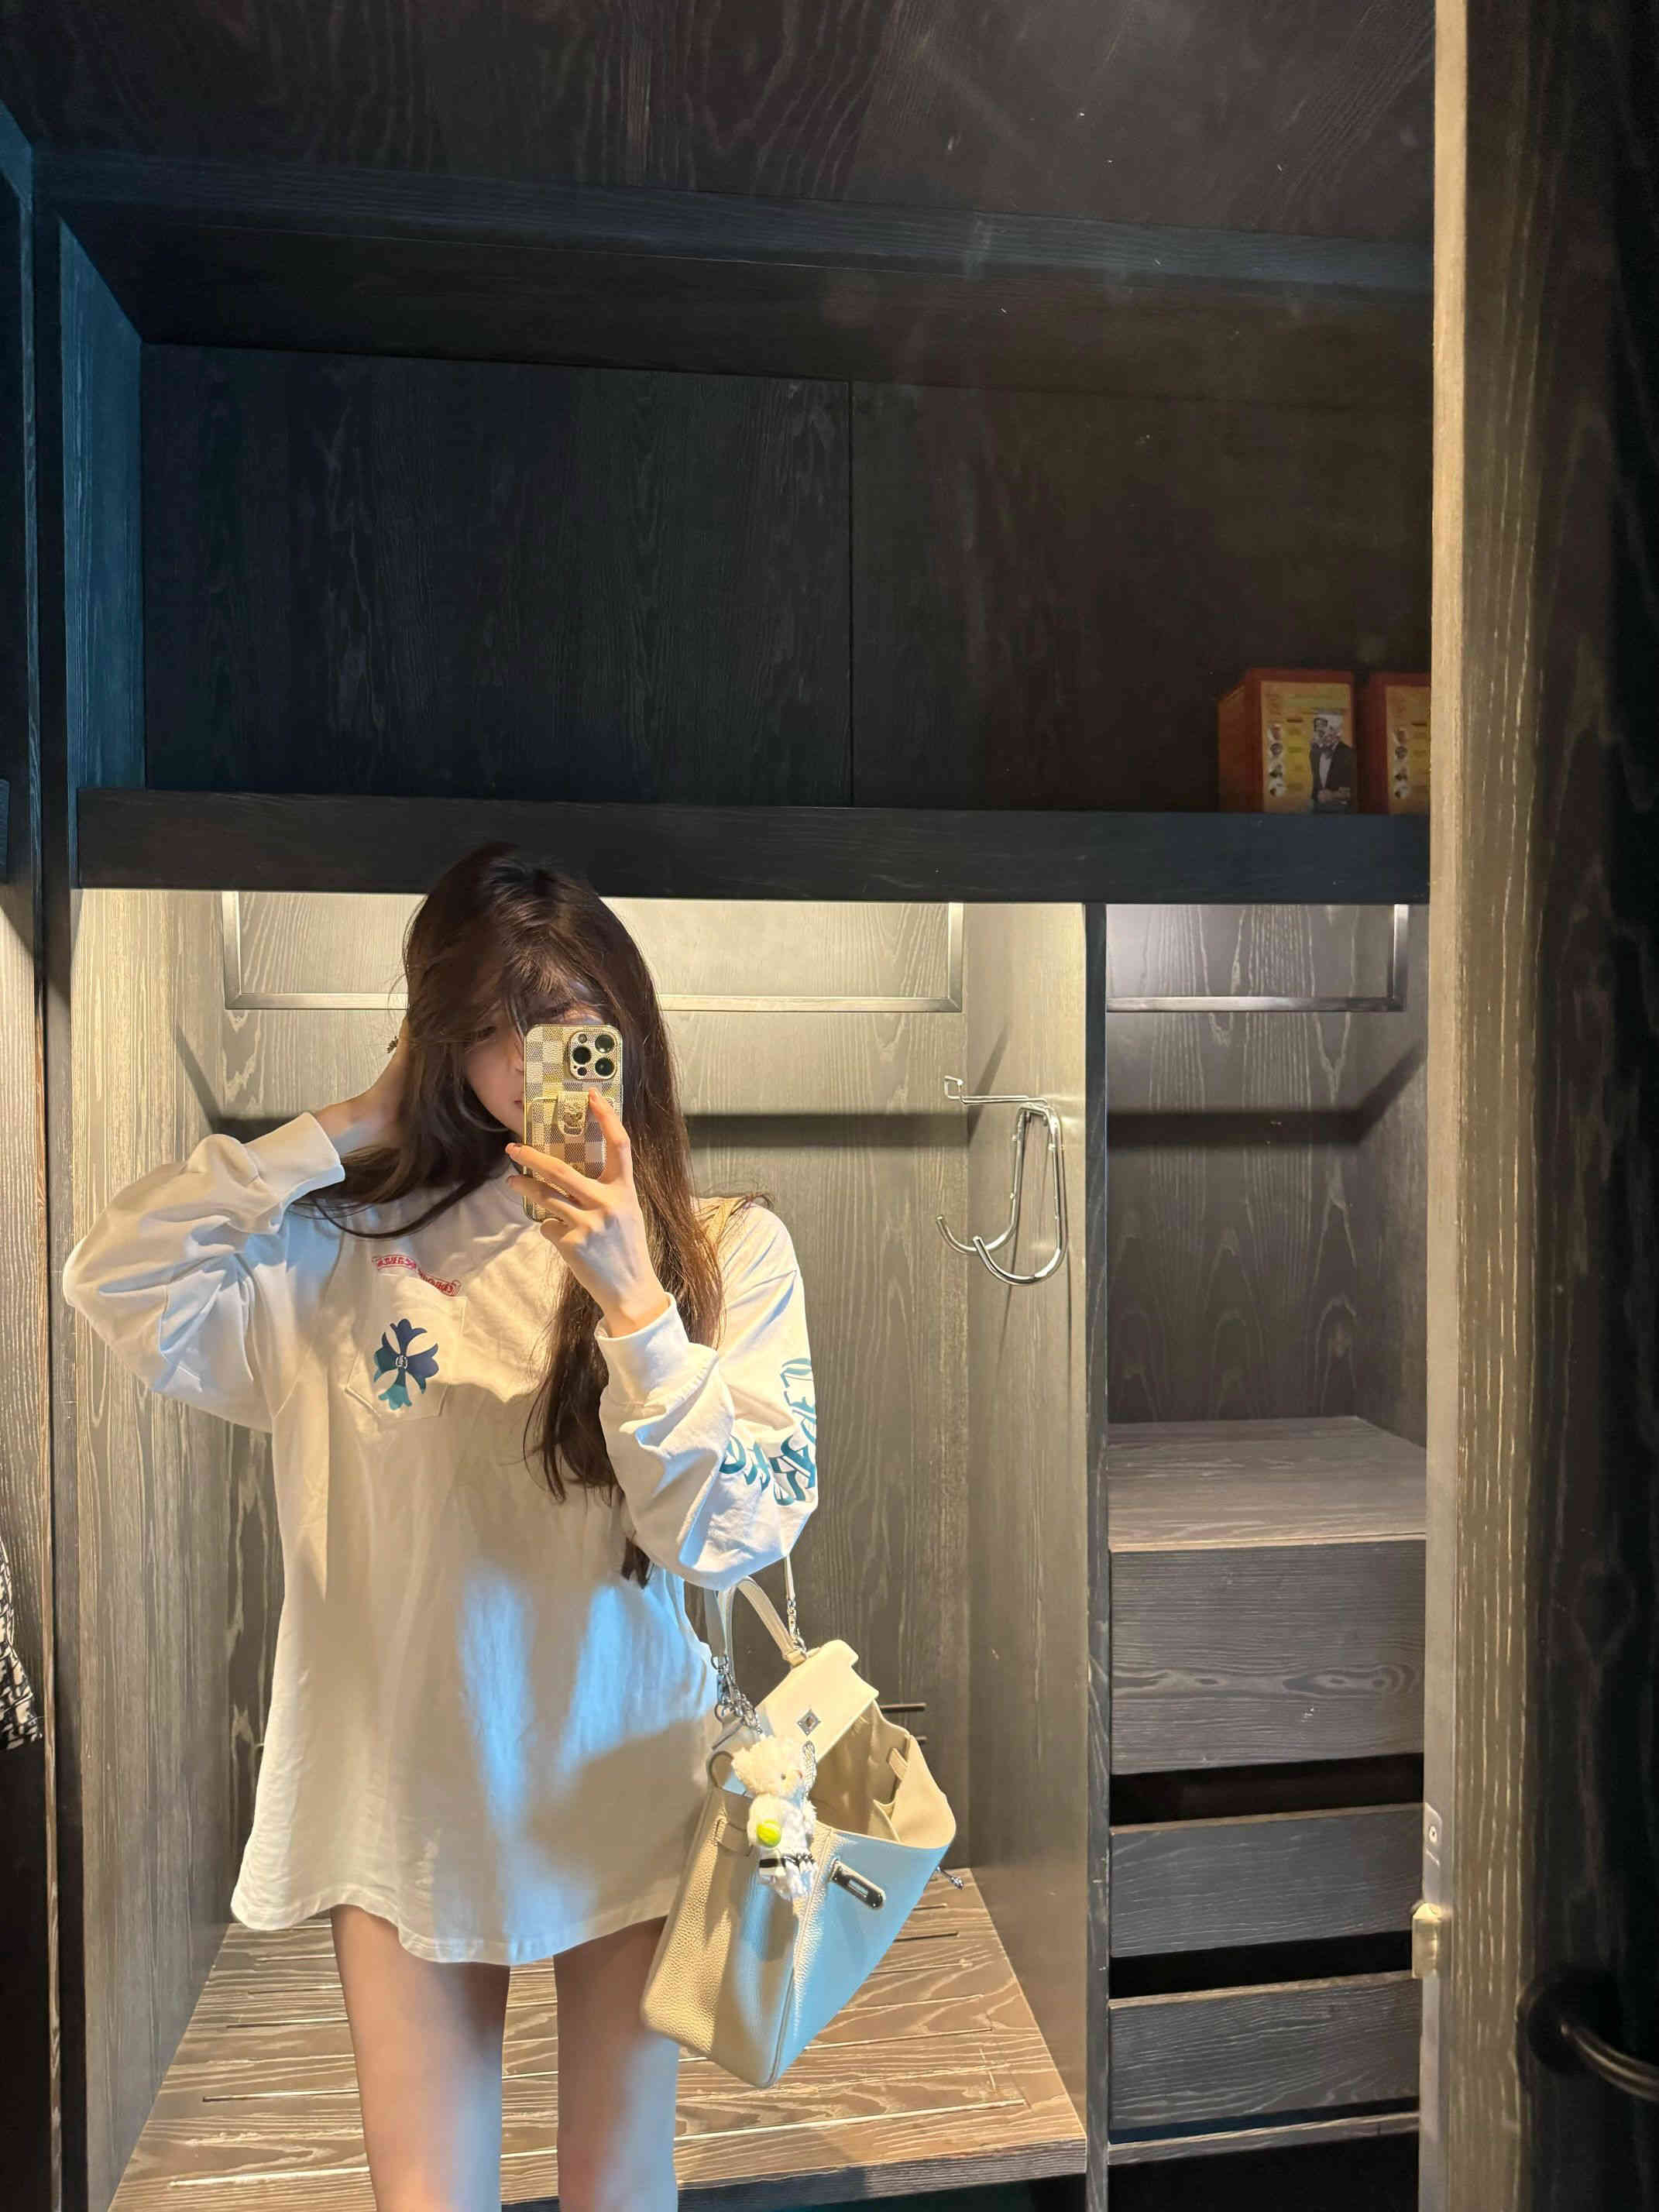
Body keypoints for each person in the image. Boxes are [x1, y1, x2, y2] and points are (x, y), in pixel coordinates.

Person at [60, 840, 819, 2212]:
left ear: (630, 1031)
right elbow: (115, 1277)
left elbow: (737, 1531)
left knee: (618, 2189)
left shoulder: (723, 1249)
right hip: (401, 1782)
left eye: (573, 1025)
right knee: (427, 2197)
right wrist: (347, 1123)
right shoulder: (342, 1246)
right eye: (492, 1028)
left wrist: (636, 1305)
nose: (536, 1062)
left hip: (623, 1775)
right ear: (436, 1040)